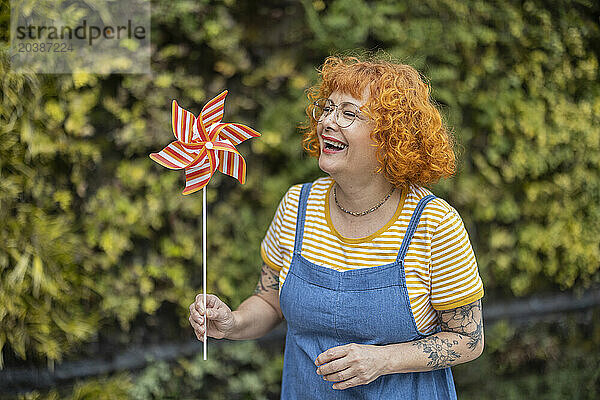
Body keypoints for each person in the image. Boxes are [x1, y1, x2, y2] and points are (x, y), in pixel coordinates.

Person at [188, 55, 484, 399]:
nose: (328, 121)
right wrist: (232, 323)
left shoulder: (434, 224)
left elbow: (469, 339)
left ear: (391, 137)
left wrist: (383, 360)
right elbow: (270, 302)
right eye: (327, 109)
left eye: (348, 113)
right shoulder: (297, 206)